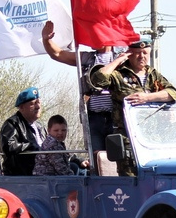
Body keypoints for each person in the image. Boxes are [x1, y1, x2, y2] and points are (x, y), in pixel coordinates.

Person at [87, 40, 176, 175]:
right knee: (131, 181)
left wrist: (147, 97)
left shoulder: (153, 75)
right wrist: (120, 59)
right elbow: (98, 79)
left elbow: (172, 93)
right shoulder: (119, 75)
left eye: (145, 53)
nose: (142, 57)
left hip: (152, 139)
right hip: (128, 140)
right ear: (130, 54)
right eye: (137, 53)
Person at [41, 20, 121, 154]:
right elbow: (58, 54)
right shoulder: (88, 58)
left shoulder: (120, 58)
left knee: (118, 156)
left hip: (117, 117)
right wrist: (46, 41)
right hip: (94, 118)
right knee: (96, 157)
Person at [0, 87, 45, 175]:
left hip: (44, 172)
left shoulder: (40, 126)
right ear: (22, 107)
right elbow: (9, 146)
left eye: (38, 102)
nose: (38, 107)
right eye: (33, 103)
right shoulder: (12, 123)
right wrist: (32, 146)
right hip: (23, 175)